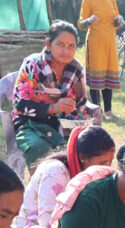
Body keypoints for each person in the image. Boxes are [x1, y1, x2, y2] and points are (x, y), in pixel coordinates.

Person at [3, 126, 117, 228]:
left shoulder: (92, 177)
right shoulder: (55, 171)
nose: (106, 168)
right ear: (82, 158)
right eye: (102, 163)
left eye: (110, 162)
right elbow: (48, 222)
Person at [12, 21, 100, 167]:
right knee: (40, 150)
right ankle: (41, 187)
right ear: (48, 44)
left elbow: (81, 103)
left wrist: (80, 118)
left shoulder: (76, 69)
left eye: (71, 46)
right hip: (29, 124)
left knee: (88, 147)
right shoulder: (32, 64)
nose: (66, 50)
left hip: (63, 124)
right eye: (60, 44)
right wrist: (53, 108)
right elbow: (19, 104)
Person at [79, 0, 122, 117]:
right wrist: (88, 20)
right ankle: (97, 111)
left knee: (108, 75)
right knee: (95, 78)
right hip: (95, 42)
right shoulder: (87, 1)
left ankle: (108, 110)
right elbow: (81, 24)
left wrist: (119, 20)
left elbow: (116, 22)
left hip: (110, 43)